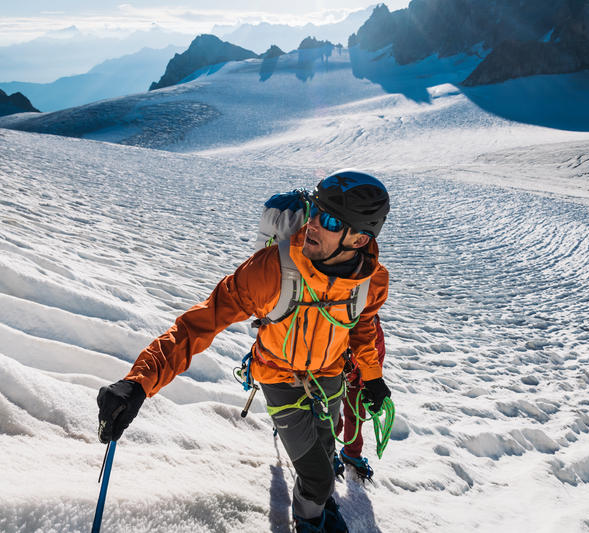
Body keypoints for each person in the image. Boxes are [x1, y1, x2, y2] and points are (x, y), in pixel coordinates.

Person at [97, 170, 392, 533]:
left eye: (329, 220)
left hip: (330, 377)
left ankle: (318, 500)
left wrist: (374, 380)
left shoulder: (372, 281)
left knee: (325, 460)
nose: (312, 224)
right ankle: (308, 520)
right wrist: (139, 383)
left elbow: (362, 328)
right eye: (314, 210)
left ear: (360, 238)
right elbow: (198, 324)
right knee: (317, 475)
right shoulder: (270, 271)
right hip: (279, 378)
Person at [334, 314, 386, 481]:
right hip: (332, 375)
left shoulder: (373, 325)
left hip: (356, 379)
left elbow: (377, 356)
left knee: (356, 416)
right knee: (330, 417)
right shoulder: (337, 316)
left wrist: (370, 383)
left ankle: (351, 453)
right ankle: (324, 452)